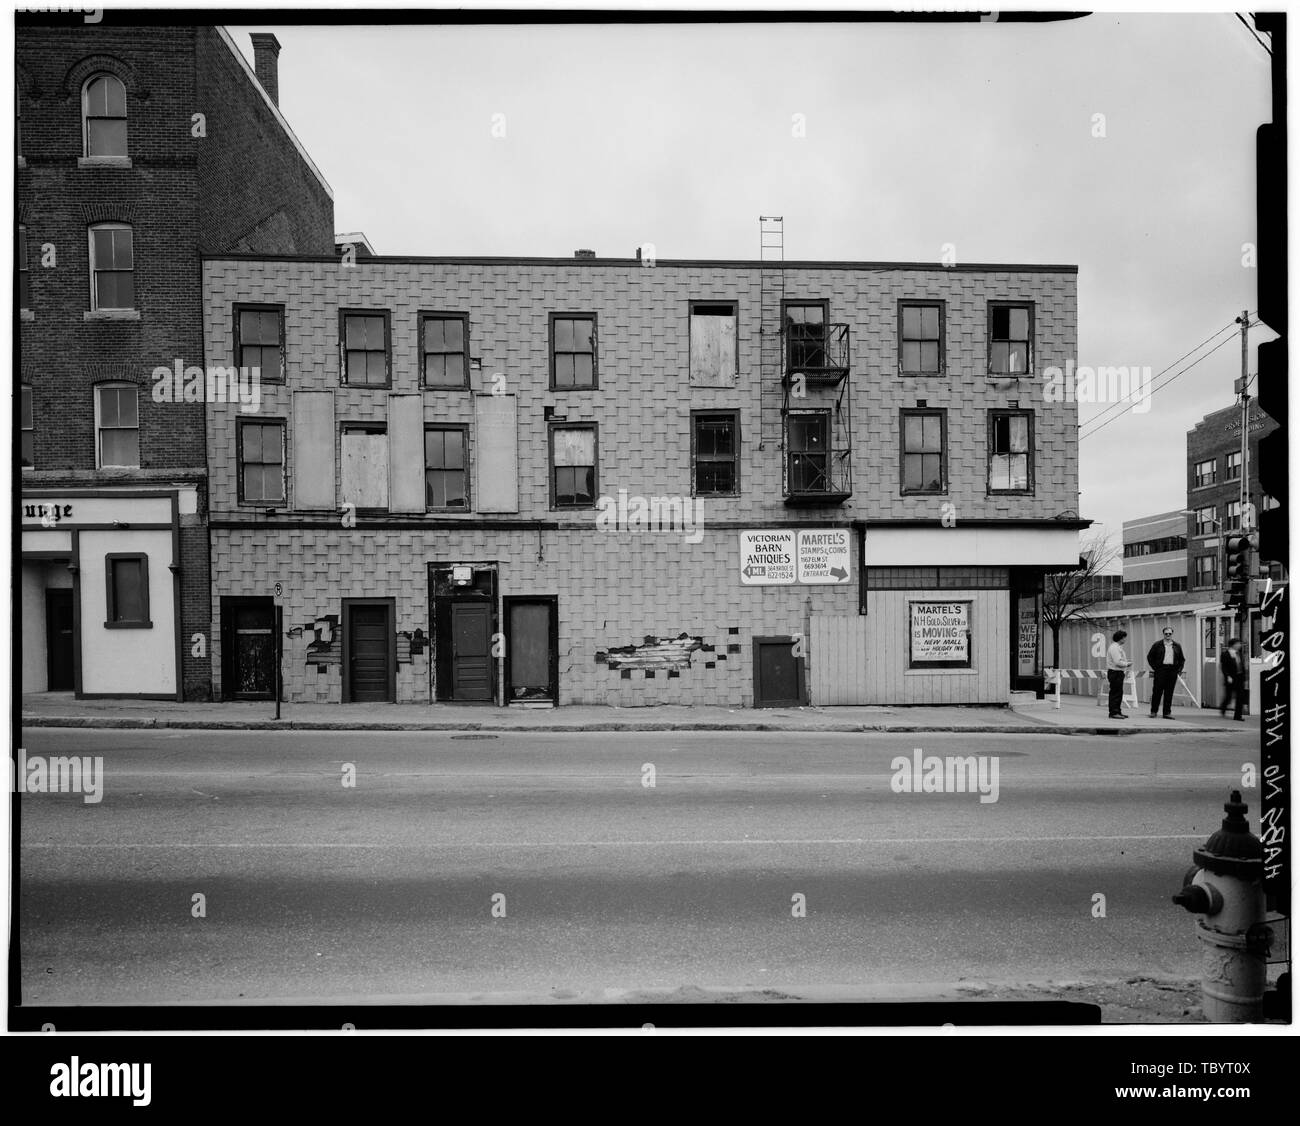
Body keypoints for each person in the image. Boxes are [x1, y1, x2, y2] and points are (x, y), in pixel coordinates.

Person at [1146, 626, 1186, 719]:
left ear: (1172, 634)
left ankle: (1167, 713)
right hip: (1161, 670)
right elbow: (1150, 657)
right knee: (1157, 691)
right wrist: (1156, 667)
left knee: (1169, 692)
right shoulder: (1157, 645)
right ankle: (1153, 711)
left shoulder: (1177, 646)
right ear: (1163, 634)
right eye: (1166, 633)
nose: (1168, 635)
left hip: (1172, 670)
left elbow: (1182, 659)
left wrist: (1178, 670)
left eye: (1169, 634)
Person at [1105, 629, 1131, 719]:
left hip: (1118, 672)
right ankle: (1113, 712)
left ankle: (1118, 711)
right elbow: (1117, 662)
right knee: (1115, 693)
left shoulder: (1117, 647)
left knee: (1118, 692)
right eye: (1124, 638)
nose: (1125, 640)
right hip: (1115, 672)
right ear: (1120, 638)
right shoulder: (1114, 648)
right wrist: (1127, 664)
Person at [1220, 637, 1246, 721]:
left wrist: (1244, 677)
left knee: (1240, 697)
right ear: (1233, 645)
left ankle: (1237, 716)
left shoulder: (1239, 653)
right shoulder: (1225, 654)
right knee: (1229, 696)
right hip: (1231, 678)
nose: (1240, 645)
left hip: (1239, 678)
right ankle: (1223, 708)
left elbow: (1242, 666)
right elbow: (1224, 667)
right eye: (1238, 644)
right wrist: (1227, 676)